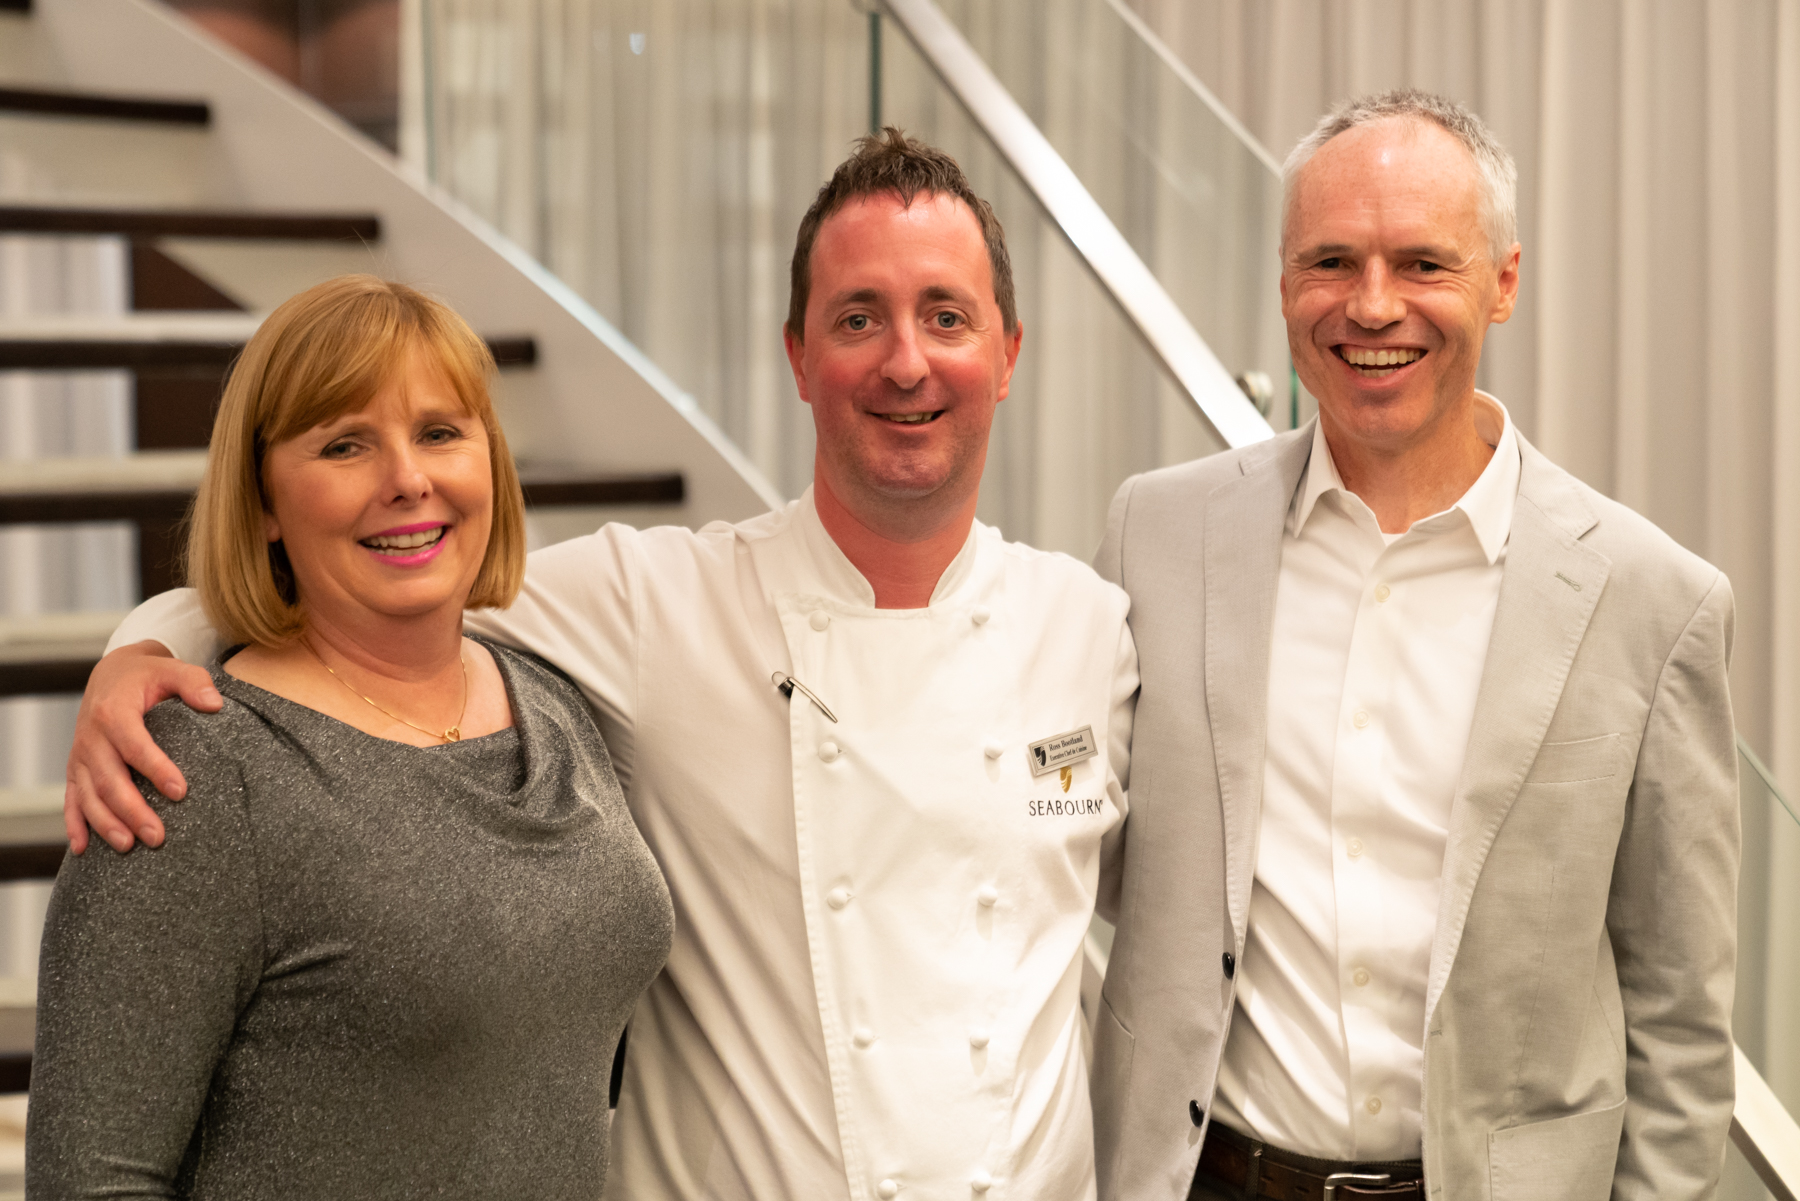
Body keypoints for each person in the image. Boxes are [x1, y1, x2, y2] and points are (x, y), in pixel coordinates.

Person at [62, 131, 1136, 1201]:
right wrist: (142, 654)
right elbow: (371, 591)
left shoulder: (1092, 627)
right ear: (799, 357)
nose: (906, 360)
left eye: (947, 315)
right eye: (858, 318)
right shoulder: (647, 603)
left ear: (1008, 352)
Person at [1089, 90, 1739, 1201]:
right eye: (1331, 261)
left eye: (1424, 264)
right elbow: (1075, 853)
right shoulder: (1157, 533)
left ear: (1504, 281)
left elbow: (1680, 1020)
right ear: (1286, 281)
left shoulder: (1650, 599)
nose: (1372, 305)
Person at [27, 275, 673, 1198]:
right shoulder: (198, 770)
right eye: (344, 444)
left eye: (441, 433)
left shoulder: (553, 701)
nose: (408, 478)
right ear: (261, 503)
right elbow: (93, 1179)